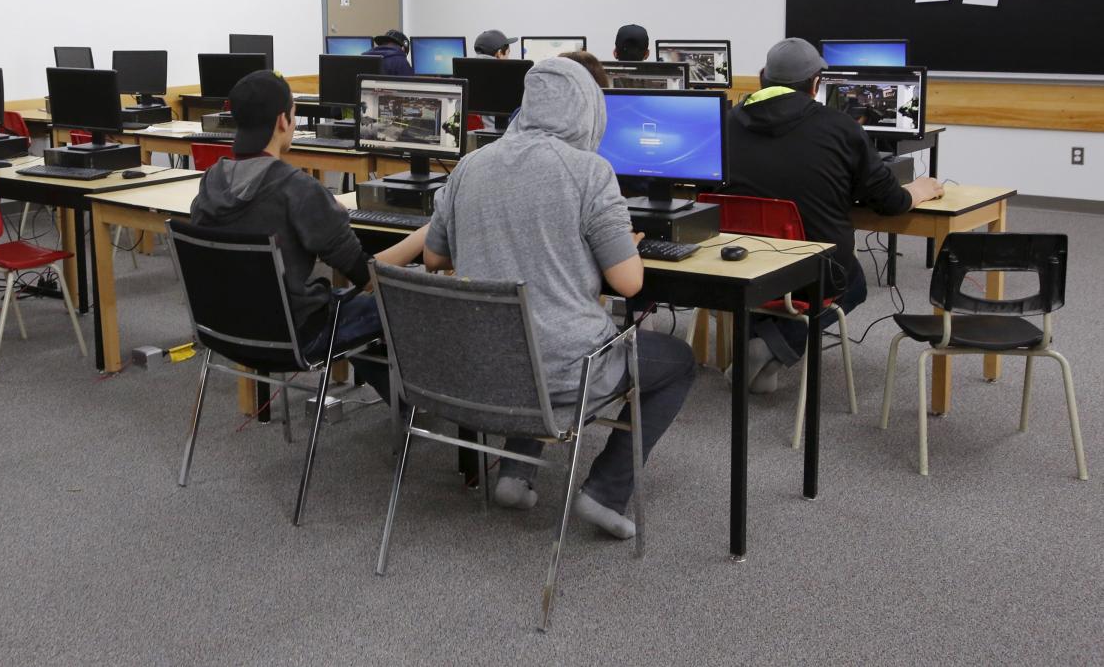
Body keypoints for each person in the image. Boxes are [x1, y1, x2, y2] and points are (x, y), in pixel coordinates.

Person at [424, 58, 695, 539]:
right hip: (566, 373)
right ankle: (606, 492)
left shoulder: (470, 166)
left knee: (526, 332)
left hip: (480, 370)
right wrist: (618, 247)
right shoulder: (590, 172)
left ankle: (514, 474)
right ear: (591, 109)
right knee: (676, 360)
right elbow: (630, 284)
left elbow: (433, 257)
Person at [721, 38, 945, 391]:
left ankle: (758, 343)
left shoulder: (727, 122)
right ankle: (772, 345)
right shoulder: (840, 128)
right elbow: (887, 201)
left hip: (740, 261)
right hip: (811, 270)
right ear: (816, 83)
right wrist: (915, 191)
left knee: (772, 276)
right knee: (853, 284)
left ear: (763, 77)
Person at [190, 71, 428, 395]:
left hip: (225, 332)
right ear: (283, 121)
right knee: (405, 296)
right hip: (297, 336)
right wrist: (429, 230)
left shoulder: (211, 180)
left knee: (340, 300)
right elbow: (369, 276)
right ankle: (415, 399)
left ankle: (401, 397)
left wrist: (323, 210)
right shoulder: (296, 189)